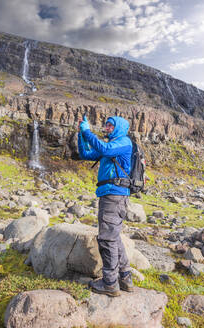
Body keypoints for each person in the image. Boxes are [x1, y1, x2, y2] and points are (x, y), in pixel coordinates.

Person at [78, 115, 134, 297]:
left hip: (114, 196)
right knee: (114, 237)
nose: (107, 127)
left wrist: (87, 131)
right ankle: (125, 278)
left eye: (110, 125)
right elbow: (85, 154)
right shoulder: (111, 146)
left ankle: (110, 283)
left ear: (119, 128)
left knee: (107, 239)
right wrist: (81, 134)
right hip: (110, 195)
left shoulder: (123, 142)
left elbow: (103, 148)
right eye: (107, 124)